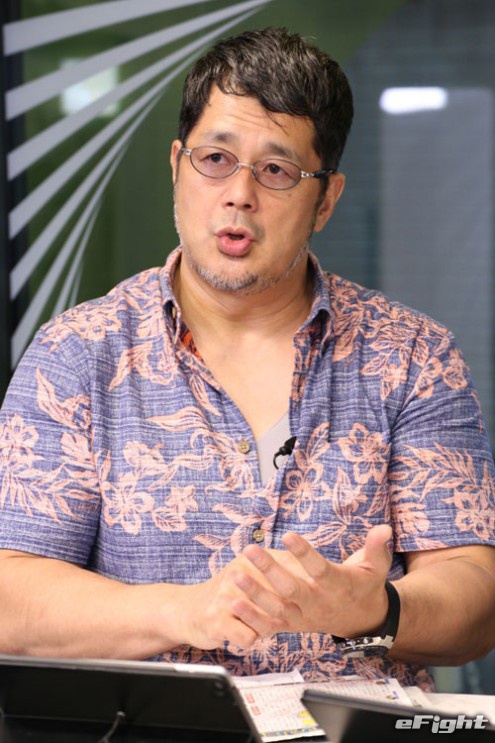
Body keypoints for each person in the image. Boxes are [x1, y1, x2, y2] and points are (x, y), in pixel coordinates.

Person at [0, 27, 494, 692]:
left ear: (325, 200)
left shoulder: (410, 357)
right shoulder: (78, 353)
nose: (239, 193)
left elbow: (474, 601)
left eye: (276, 170)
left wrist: (374, 612)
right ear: (176, 166)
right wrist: (185, 611)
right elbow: (11, 599)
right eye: (215, 159)